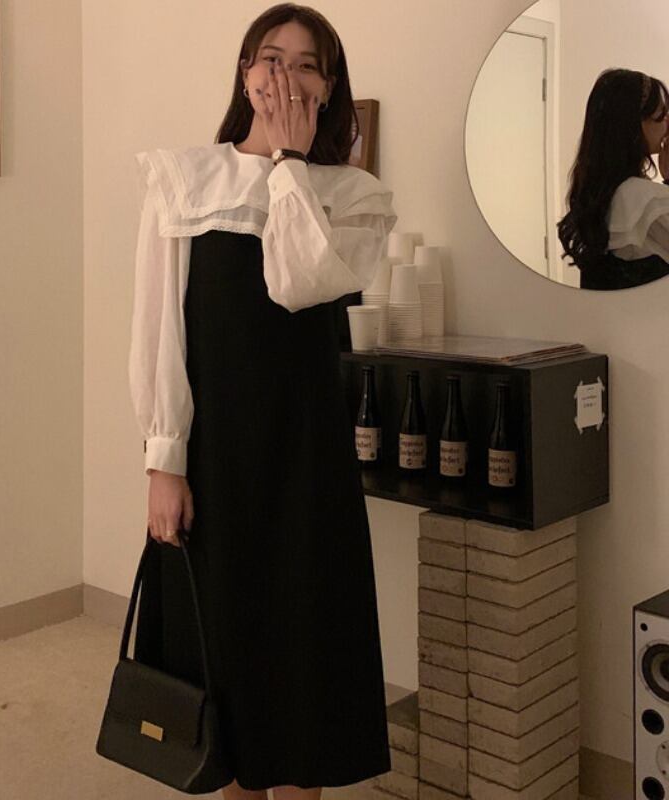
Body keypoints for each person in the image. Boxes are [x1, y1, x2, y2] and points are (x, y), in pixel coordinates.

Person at [126, 4, 397, 799]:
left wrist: (289, 164)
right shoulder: (183, 179)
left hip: (309, 456)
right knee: (229, 670)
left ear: (329, 87)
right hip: (216, 458)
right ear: (245, 74)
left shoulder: (356, 194)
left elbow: (300, 283)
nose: (286, 76)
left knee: (305, 660)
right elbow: (158, 330)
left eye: (308, 64)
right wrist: (163, 461)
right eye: (271, 58)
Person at [558, 68, 669, 290]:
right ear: (634, 123)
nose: (667, 122)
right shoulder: (642, 198)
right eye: (661, 114)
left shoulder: (600, 190)